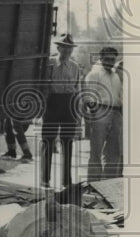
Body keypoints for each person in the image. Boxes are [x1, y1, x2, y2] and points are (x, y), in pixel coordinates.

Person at [39, 33, 82, 189]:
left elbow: (78, 90)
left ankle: (66, 181)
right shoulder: (49, 64)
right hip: (52, 103)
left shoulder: (75, 67)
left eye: (69, 49)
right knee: (48, 141)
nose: (66, 52)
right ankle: (45, 179)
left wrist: (77, 114)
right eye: (64, 49)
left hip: (69, 104)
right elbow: (42, 87)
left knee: (67, 142)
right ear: (58, 48)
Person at [84, 45, 124, 181]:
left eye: (113, 59)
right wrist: (95, 113)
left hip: (116, 113)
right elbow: (88, 96)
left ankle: (109, 183)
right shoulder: (94, 74)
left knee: (114, 150)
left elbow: (119, 96)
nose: (110, 62)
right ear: (101, 58)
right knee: (97, 149)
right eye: (107, 58)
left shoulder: (116, 76)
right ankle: (94, 183)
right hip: (101, 111)